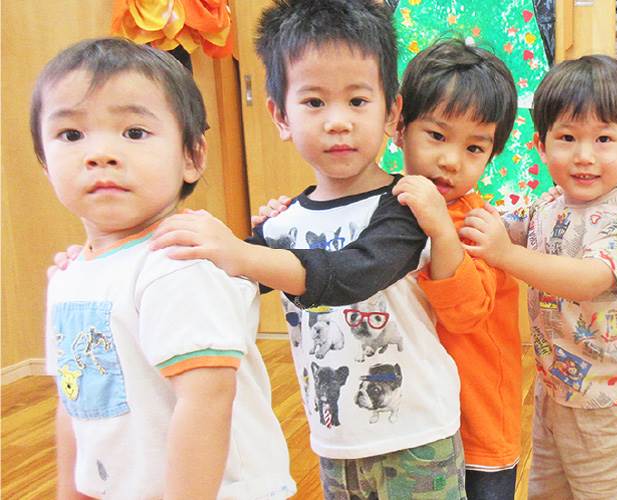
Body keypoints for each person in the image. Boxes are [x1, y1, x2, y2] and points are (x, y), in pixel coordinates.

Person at [149, 0, 465, 497]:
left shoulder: (406, 206)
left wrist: (240, 252)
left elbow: (350, 273)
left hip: (417, 436)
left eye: (357, 101)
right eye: (314, 102)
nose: (337, 121)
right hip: (334, 438)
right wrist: (106, 264)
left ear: (391, 112)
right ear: (280, 115)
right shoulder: (283, 224)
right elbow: (221, 281)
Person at [34, 37, 294, 499]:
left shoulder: (178, 264)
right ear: (44, 164)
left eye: (134, 132)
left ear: (192, 156)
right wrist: (71, 490)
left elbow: (207, 400)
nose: (100, 154)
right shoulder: (69, 277)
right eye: (71, 135)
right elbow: (74, 400)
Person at [461, 54, 617, 499]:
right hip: (554, 395)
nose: (584, 156)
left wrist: (504, 254)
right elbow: (508, 227)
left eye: (604, 139)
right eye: (567, 137)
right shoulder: (549, 203)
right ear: (541, 143)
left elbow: (589, 278)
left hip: (614, 410)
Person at [391, 39, 523, 499]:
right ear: (399, 126)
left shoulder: (479, 226)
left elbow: (465, 312)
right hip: (409, 425)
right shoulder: (385, 206)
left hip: (476, 429)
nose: (451, 160)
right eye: (437, 135)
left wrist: (441, 230)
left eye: (474, 147)